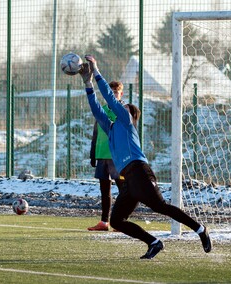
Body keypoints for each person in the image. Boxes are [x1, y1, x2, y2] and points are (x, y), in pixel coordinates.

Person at [79, 55, 212, 259]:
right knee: (117, 221)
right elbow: (97, 110)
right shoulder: (112, 128)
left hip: (140, 172)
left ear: (131, 115)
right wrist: (87, 83)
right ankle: (154, 242)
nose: (122, 106)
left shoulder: (125, 121)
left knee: (161, 207)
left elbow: (108, 98)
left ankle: (200, 229)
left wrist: (96, 71)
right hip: (128, 179)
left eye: (126, 107)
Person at [88, 81, 125, 231]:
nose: (113, 94)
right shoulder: (101, 110)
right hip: (102, 155)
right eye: (111, 92)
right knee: (105, 192)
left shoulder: (123, 110)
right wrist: (92, 153)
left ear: (121, 94)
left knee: (123, 191)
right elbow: (96, 133)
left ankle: (122, 221)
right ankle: (104, 222)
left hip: (117, 157)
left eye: (116, 92)